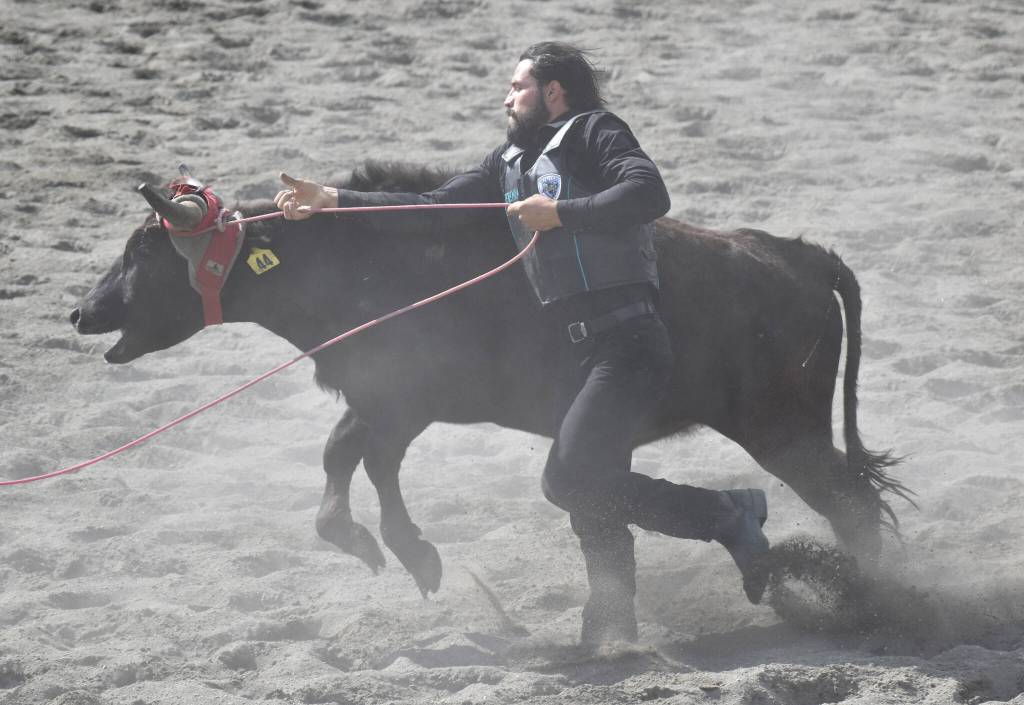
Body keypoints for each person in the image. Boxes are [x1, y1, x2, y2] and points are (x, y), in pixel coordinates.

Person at [276, 42, 770, 644]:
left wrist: (563, 213)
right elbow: (431, 210)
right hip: (575, 350)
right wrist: (333, 202)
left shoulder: (595, 131)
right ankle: (612, 616)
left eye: (518, 87)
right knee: (592, 483)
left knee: (568, 479)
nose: (507, 98)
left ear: (553, 92)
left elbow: (647, 194)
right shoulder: (508, 160)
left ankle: (729, 515)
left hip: (627, 340)